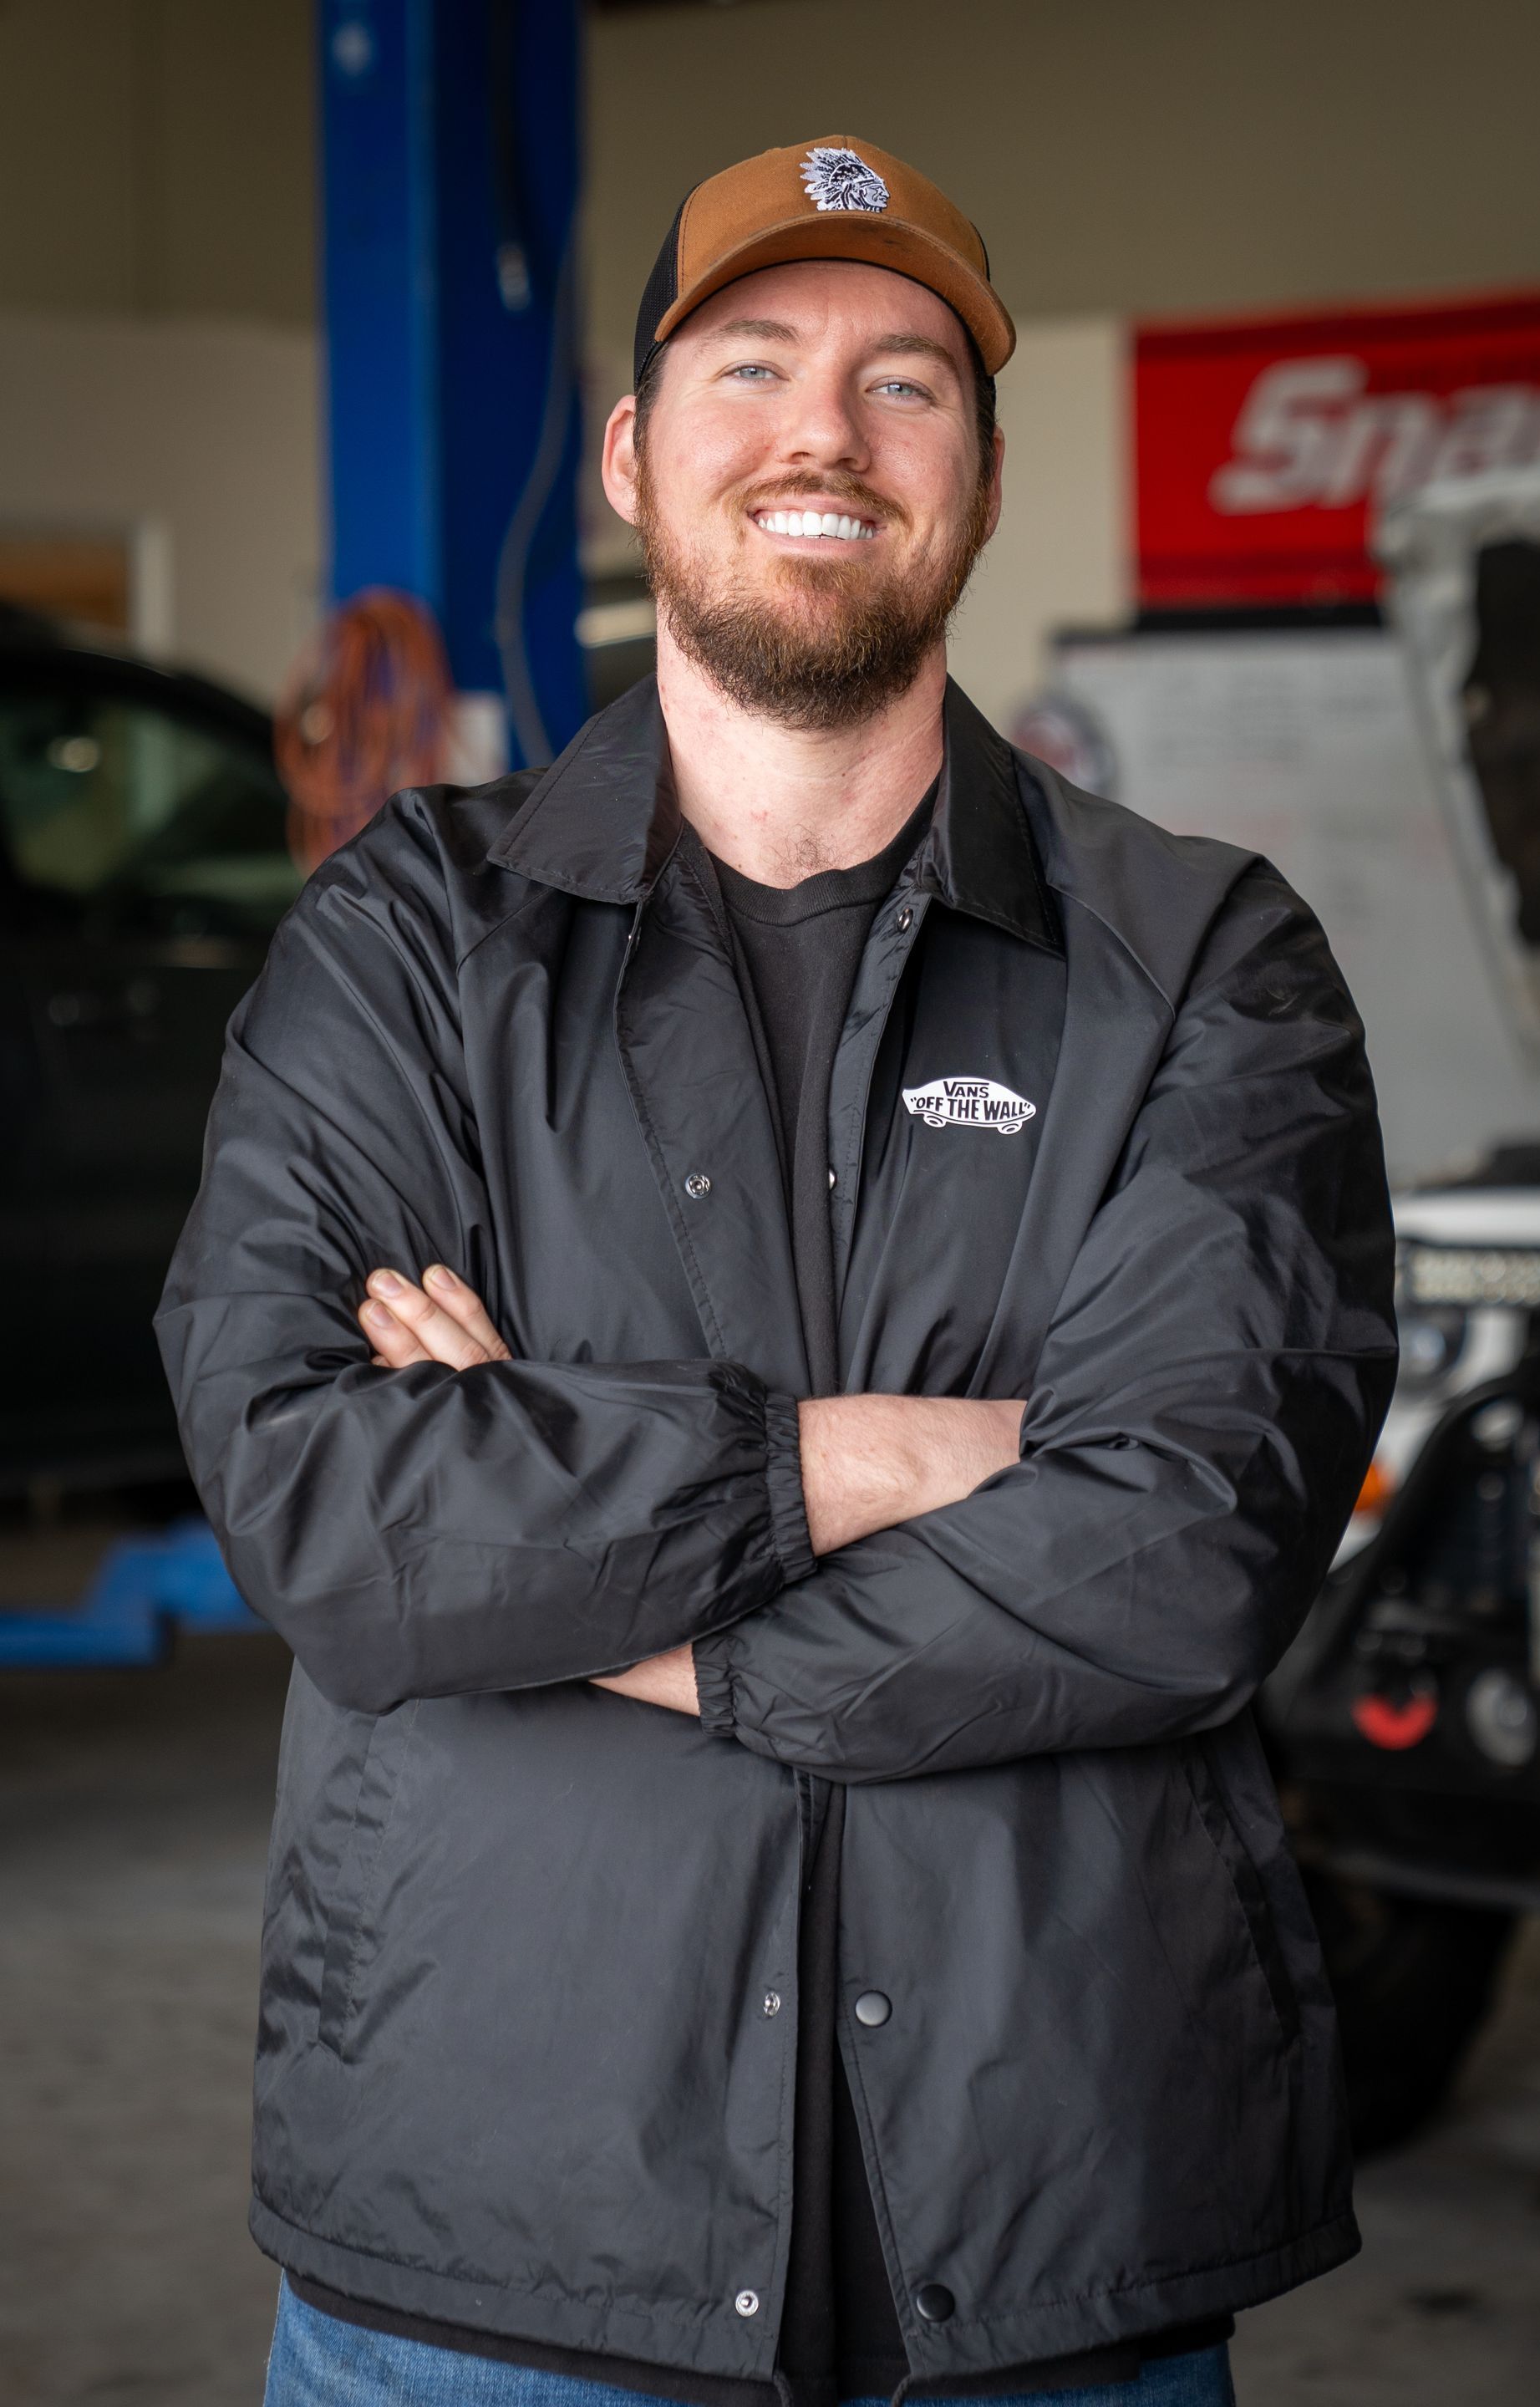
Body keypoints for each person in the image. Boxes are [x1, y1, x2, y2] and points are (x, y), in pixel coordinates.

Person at [159, 135, 1396, 2407]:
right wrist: (876, 1459)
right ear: (633, 453)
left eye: (904, 381)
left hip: (1055, 2244)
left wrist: (599, 1609)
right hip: (489, 2239)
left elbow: (1185, 1550)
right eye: (753, 365)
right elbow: (326, 1511)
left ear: (985, 479)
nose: (824, 431)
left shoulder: (1205, 962)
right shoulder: (409, 945)